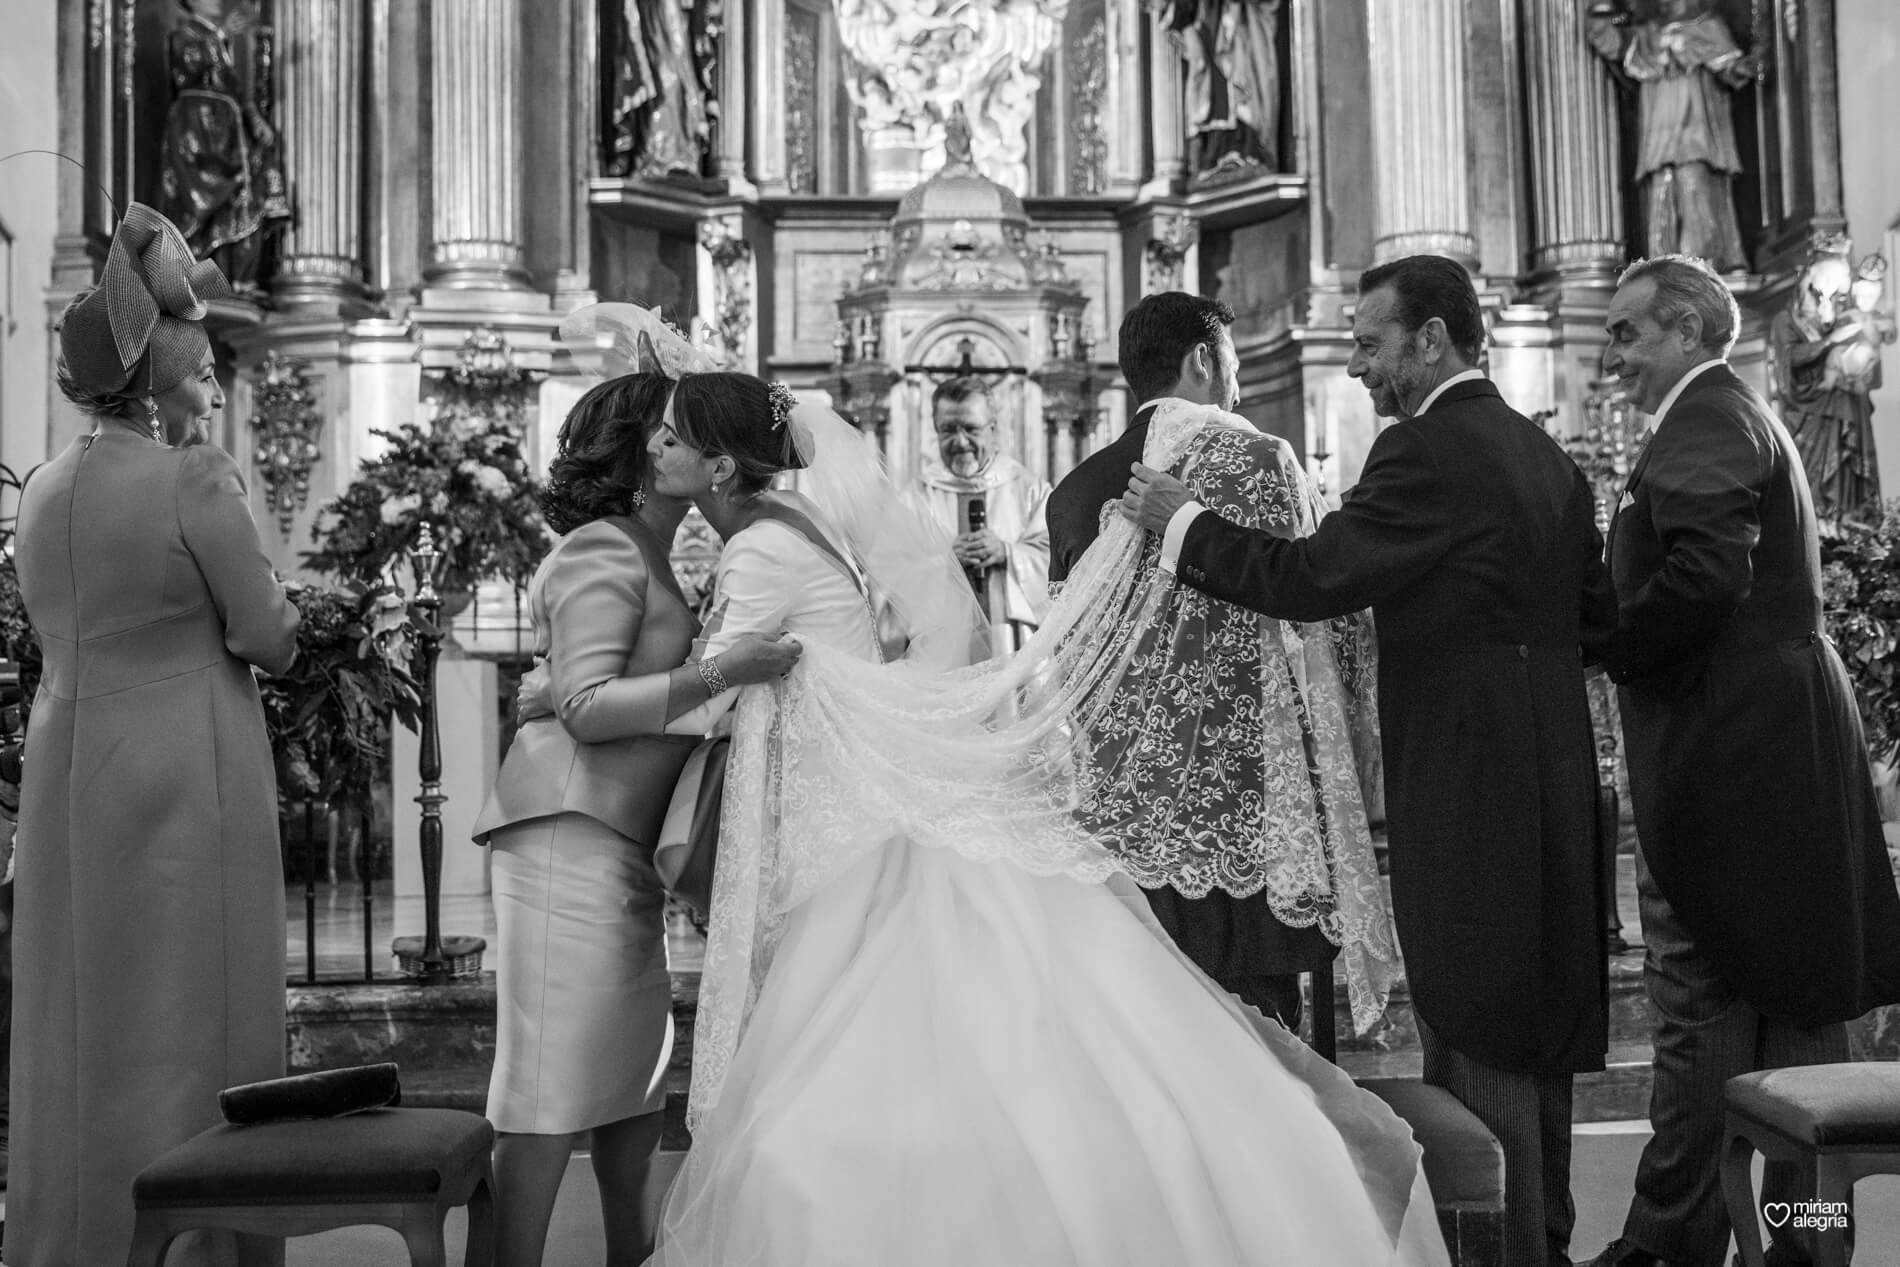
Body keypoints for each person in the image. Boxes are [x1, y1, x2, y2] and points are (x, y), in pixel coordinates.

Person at [518, 369, 1447, 1265]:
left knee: (861, 1047)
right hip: (862, 789)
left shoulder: (759, 545)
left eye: (673, 436)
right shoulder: (793, 518)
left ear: (720, 466)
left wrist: (564, 694)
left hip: (843, 811)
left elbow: (715, 694)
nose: (655, 445)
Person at [1122, 255, 1615, 1267]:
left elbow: (1311, 578)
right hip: (1555, 766)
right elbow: (1595, 618)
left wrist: (1179, 519)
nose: (1353, 364)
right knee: (1540, 1014)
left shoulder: (1423, 451)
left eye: (1368, 341)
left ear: (1430, 340)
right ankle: (1544, 1236)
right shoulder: (1545, 455)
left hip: (1466, 772)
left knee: (1475, 1011)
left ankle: (1502, 1245)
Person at [1580, 255, 1900, 1267]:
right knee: (1796, 1009)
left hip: (1729, 768)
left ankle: (1667, 1251)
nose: (1611, 356)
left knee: (1701, 1008)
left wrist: (1610, 643)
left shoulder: (1706, 418)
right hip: (1778, 759)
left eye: (1626, 332)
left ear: (1681, 329)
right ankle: (1805, 1248)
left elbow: (1704, 571)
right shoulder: (1736, 411)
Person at [9, 201, 300, 1267]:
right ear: (157, 378)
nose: (211, 385)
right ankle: (201, 1246)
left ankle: (67, 1238)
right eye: (200, 368)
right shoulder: (195, 475)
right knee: (193, 1007)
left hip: (70, 763)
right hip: (187, 762)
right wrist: (294, 609)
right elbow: (265, 633)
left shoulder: (43, 490)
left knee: (77, 1011)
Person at [472, 348, 799, 1264]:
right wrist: (721, 668)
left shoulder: (645, 549)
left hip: (616, 841)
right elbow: (582, 703)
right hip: (564, 838)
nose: (678, 440)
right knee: (545, 1090)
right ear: (637, 454)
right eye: (666, 427)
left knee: (632, 1082)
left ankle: (635, 1251)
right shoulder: (602, 547)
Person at [1047, 290, 1337, 1031]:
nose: (1237, 380)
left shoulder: (1073, 491)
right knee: (1256, 1039)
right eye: (1233, 360)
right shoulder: (1260, 459)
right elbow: (1312, 618)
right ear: (1203, 358)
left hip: (1114, 815)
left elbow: (1069, 656)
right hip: (1235, 812)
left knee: (1141, 1038)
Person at [1586, 0, 1757, 272]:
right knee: (1660, 196)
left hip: (1697, 131)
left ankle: (1704, 266)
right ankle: (1664, 272)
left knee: (1696, 188)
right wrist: (1601, 12)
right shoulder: (1646, 33)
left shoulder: (1708, 25)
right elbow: (1609, 40)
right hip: (1658, 137)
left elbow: (1729, 67)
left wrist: (1743, 67)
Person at [911, 374, 1051, 652]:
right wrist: (945, 563)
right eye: (948, 429)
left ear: (993, 428)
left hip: (1013, 648)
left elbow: (1059, 565)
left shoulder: (1029, 490)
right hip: (942, 653)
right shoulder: (913, 498)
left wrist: (1007, 554)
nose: (960, 441)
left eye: (971, 429)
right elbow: (889, 580)